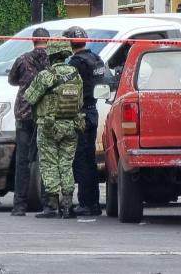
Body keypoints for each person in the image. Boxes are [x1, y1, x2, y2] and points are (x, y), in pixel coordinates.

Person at [23, 40, 84, 219]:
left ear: (51, 54)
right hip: (71, 125)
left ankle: (52, 207)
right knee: (66, 165)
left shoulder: (46, 75)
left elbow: (30, 98)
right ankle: (68, 207)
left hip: (48, 125)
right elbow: (80, 101)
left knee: (49, 165)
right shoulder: (75, 74)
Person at [7, 28, 50, 216]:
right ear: (48, 41)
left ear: (32, 40)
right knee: (47, 160)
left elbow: (12, 80)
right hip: (46, 114)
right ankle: (48, 203)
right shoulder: (53, 61)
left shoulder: (22, 59)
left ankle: (19, 206)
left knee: (22, 161)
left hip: (24, 114)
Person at [63, 26, 106, 217]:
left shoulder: (75, 63)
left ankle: (85, 203)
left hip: (80, 113)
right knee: (90, 160)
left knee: (81, 160)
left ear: (69, 43)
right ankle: (94, 203)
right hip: (93, 111)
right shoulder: (96, 59)